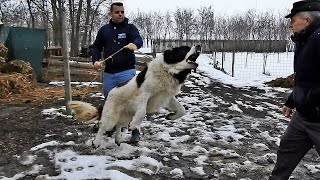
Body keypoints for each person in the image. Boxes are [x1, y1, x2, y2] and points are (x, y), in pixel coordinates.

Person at [269, 1, 320, 179]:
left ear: (306, 20)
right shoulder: (304, 39)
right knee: (286, 152)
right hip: (302, 116)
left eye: (293, 20)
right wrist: (292, 100)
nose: (290, 25)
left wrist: (308, 100)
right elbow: (304, 76)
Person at [91, 2, 143, 144]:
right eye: (117, 12)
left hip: (127, 71)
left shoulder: (130, 28)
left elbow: (138, 39)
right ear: (111, 14)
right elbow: (96, 47)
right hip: (109, 73)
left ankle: (135, 130)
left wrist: (135, 44)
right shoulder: (104, 30)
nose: (120, 14)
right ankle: (111, 125)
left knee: (130, 101)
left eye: (122, 12)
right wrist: (95, 60)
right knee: (110, 100)